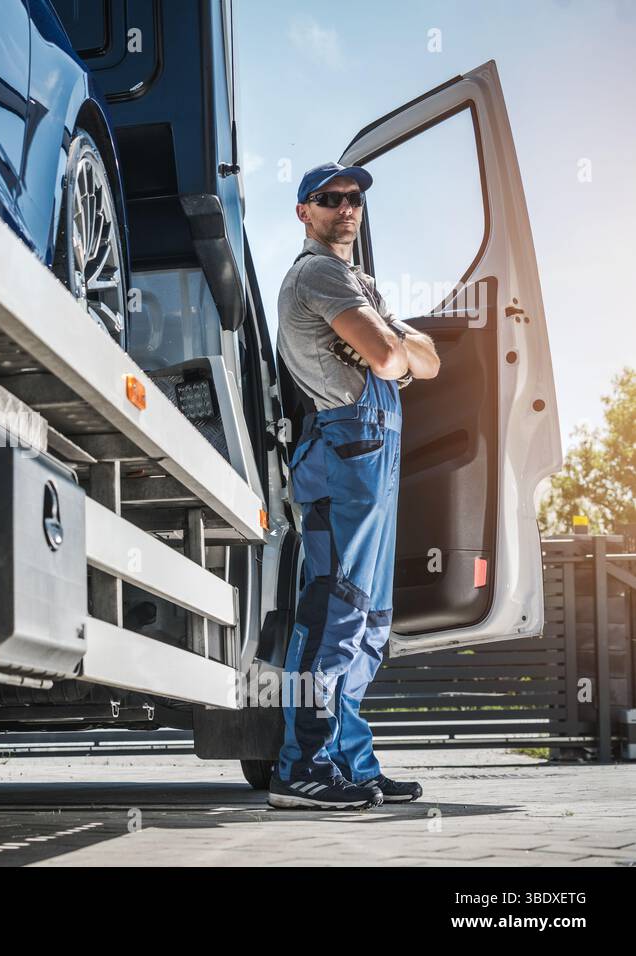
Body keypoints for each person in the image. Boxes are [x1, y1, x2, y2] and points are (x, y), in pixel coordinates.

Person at [268, 162, 440, 810]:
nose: (346, 207)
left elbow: (429, 357)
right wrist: (389, 342)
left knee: (370, 623)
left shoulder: (358, 282)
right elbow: (396, 360)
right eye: (330, 198)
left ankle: (349, 761)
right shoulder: (317, 273)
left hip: (373, 454)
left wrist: (387, 339)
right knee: (333, 611)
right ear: (304, 212)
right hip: (344, 449)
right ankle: (300, 767)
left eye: (354, 197)